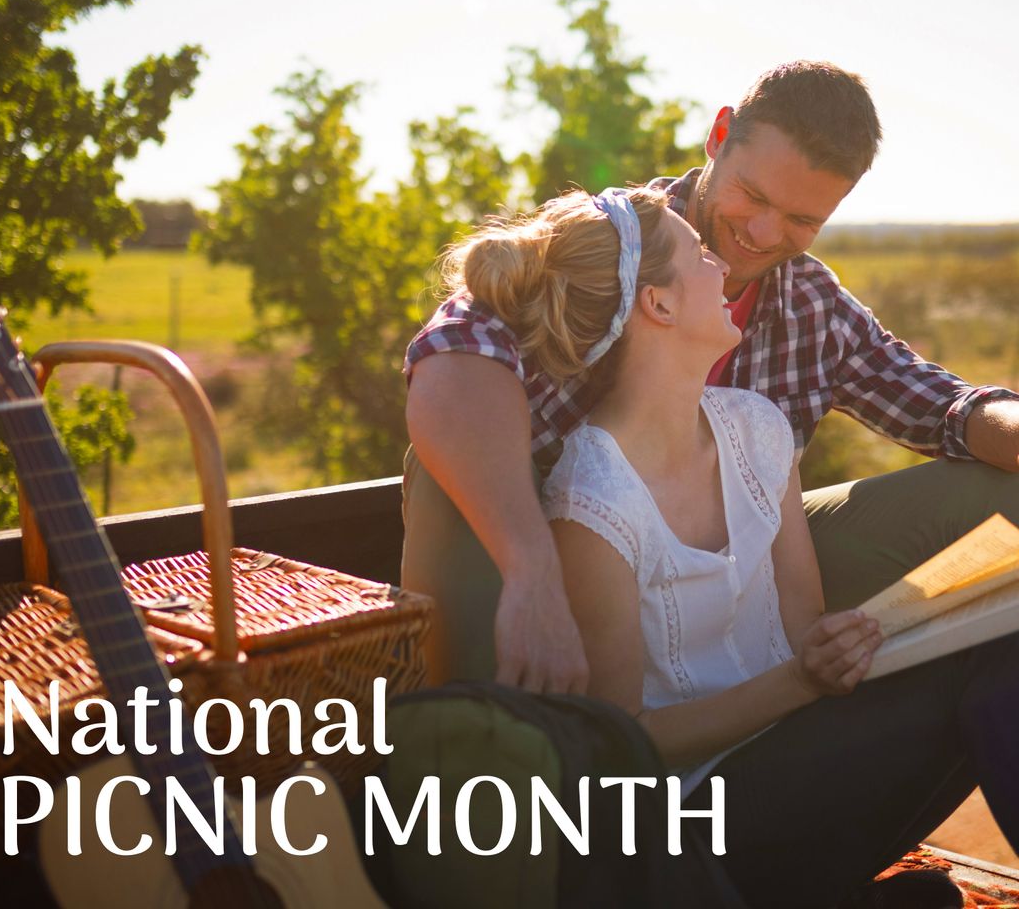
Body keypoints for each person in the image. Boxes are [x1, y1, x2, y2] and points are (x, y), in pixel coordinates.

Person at [436, 184, 1019, 909]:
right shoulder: (592, 505)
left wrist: (848, 646)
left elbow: (799, 632)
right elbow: (625, 752)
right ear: (660, 304)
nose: (723, 271)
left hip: (793, 751)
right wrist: (805, 681)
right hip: (694, 823)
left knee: (1001, 629)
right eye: (702, 255)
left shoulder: (757, 428)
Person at [402, 60, 1019, 692]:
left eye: (803, 222)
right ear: (719, 135)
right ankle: (469, 746)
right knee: (444, 472)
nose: (762, 234)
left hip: (728, 575)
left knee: (1003, 501)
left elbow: (948, 405)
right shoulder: (613, 242)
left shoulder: (810, 305)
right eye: (753, 197)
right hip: (557, 573)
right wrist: (531, 569)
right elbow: (455, 356)